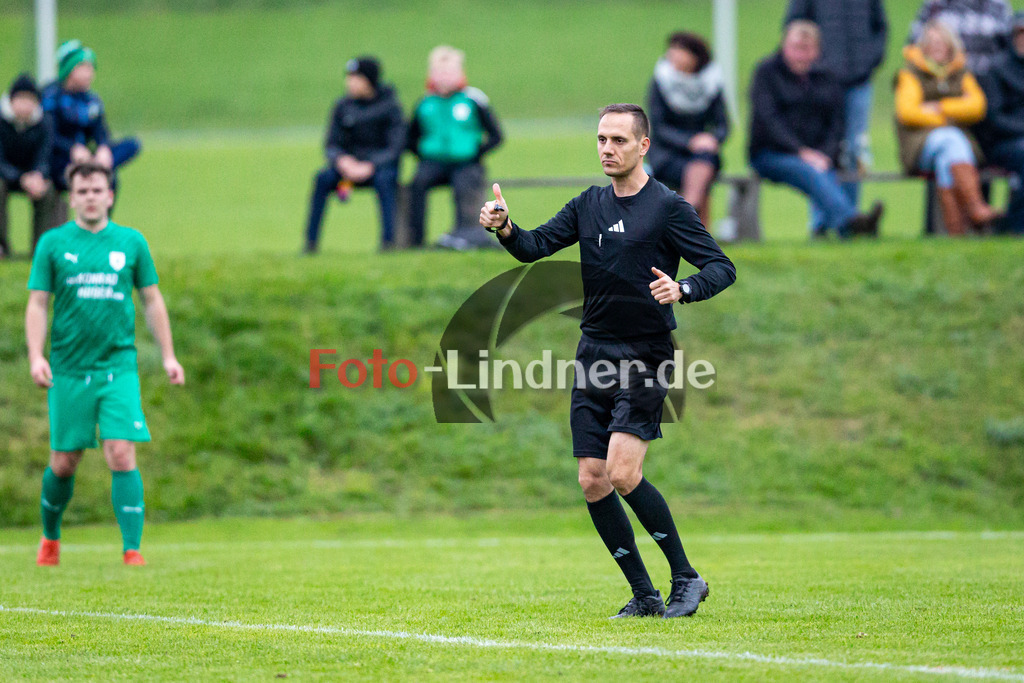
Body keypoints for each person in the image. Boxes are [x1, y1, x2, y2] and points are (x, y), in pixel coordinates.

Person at [479, 104, 736, 619]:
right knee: (592, 479)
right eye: (601, 139)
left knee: (622, 471)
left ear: (643, 146)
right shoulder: (588, 205)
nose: (607, 149)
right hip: (594, 352)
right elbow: (534, 247)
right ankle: (644, 595)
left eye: (619, 140)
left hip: (646, 353)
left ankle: (686, 577)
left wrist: (682, 288)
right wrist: (505, 228)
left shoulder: (667, 207)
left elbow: (721, 267)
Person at [26, 162, 184, 567]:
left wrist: (168, 355)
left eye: (98, 189)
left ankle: (132, 549)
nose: (91, 196)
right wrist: (36, 355)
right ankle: (50, 536)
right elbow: (39, 303)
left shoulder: (131, 243)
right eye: (82, 191)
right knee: (64, 461)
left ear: (110, 195)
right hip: (69, 367)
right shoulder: (53, 244)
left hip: (119, 366)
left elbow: (151, 300)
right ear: (72, 197)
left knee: (120, 452)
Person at [749, 21, 884, 238]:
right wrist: (802, 152)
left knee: (826, 168)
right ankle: (852, 223)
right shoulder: (766, 73)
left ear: (817, 50)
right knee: (811, 171)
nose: (801, 55)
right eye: (796, 48)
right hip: (770, 154)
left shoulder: (827, 76)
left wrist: (825, 153)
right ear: (784, 45)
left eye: (807, 49)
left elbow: (836, 124)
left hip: (819, 156)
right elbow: (769, 122)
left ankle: (839, 229)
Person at [785, 0, 888, 234]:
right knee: (821, 150)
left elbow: (880, 27)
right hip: (820, 80)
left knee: (853, 150)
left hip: (859, 82)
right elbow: (795, 25)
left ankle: (848, 224)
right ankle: (821, 224)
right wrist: (815, 64)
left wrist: (868, 63)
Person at [895, 19, 998, 235]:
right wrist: (953, 115)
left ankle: (954, 232)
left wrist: (939, 108)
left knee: (947, 159)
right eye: (932, 44)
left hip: (950, 147)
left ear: (951, 46)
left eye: (941, 43)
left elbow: (978, 107)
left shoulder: (961, 73)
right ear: (923, 47)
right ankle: (975, 207)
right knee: (950, 138)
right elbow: (908, 113)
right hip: (919, 146)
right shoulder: (910, 74)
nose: (937, 48)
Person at [303, 56, 405, 254]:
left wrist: (370, 165)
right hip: (347, 169)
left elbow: (395, 147)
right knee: (322, 179)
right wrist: (342, 160)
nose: (349, 82)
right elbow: (331, 143)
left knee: (386, 181)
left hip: (378, 169)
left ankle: (388, 243)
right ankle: (310, 244)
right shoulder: (343, 106)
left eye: (355, 77)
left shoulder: (390, 107)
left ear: (368, 81)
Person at [408, 46, 503, 250]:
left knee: (464, 184)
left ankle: (464, 236)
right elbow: (409, 137)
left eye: (449, 72)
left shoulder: (473, 99)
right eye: (440, 72)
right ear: (432, 74)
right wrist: (424, 155)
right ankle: (416, 241)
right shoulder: (425, 103)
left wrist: (476, 154)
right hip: (433, 162)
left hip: (465, 163)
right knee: (417, 184)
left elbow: (496, 135)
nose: (445, 77)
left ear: (460, 73)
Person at [646, 31, 729, 229]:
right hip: (667, 153)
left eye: (679, 51)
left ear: (695, 56)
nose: (673, 55)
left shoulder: (711, 82)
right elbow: (658, 127)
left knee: (704, 161)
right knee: (699, 170)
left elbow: (723, 125)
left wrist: (711, 139)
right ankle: (691, 218)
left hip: (702, 153)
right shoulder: (661, 81)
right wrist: (689, 141)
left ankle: (686, 212)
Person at [41, 40, 142, 195]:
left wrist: (103, 147)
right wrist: (72, 149)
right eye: (84, 67)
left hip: (88, 157)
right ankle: (89, 172)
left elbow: (101, 131)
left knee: (132, 146)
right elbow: (47, 135)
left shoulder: (91, 100)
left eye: (91, 68)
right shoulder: (50, 97)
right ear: (69, 70)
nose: (90, 73)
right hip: (60, 158)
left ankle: (96, 171)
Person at [976, 12, 1024, 234]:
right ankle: (1014, 227)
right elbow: (993, 119)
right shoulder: (996, 69)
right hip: (1000, 144)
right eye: (1020, 33)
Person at [0, 73, 57, 258]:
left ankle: (40, 249)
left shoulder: (44, 122)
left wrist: (39, 175)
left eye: (30, 99)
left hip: (33, 177)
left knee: (48, 192)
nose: (25, 105)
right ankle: (2, 247)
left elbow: (45, 154)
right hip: (6, 176)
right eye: (21, 99)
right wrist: (19, 177)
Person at [908, 0, 1013, 75]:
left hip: (988, 78)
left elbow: (1008, 45)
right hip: (944, 78)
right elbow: (915, 41)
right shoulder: (937, 3)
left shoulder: (997, 4)